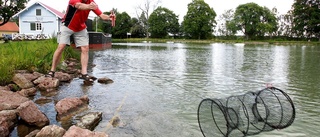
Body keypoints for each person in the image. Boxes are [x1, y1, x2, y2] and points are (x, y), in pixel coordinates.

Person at [46, 0, 114, 81]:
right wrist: (90, 7)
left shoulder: (91, 2)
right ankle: (52, 71)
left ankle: (84, 73)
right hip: (68, 25)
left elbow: (102, 15)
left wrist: (109, 18)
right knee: (61, 47)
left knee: (85, 48)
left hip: (80, 27)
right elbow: (79, 6)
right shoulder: (74, 0)